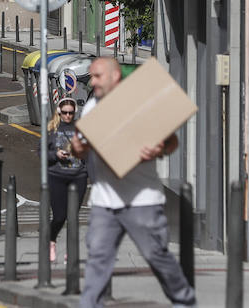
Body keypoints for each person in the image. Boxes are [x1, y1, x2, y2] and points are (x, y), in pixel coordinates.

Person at [69, 57, 196, 308]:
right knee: (98, 258)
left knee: (156, 255)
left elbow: (171, 142)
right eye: (91, 76)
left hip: (142, 198)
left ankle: (184, 300)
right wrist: (76, 149)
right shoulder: (91, 107)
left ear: (115, 77)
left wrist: (159, 148)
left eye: (97, 76)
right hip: (105, 200)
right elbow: (82, 148)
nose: (91, 82)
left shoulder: (140, 104)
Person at [47, 98, 89, 264]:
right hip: (57, 176)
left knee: (73, 216)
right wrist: (55, 155)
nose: (68, 115)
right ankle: (51, 242)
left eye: (71, 112)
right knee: (59, 216)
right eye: (65, 112)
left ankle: (71, 251)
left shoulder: (81, 129)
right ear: (59, 112)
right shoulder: (52, 129)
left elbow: (89, 150)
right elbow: (42, 152)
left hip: (78, 176)